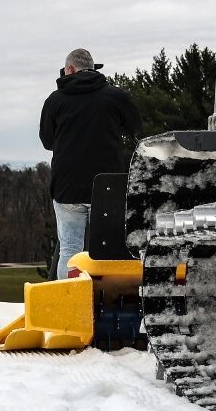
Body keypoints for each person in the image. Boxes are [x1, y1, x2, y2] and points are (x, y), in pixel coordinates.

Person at [39, 47, 142, 279]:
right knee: (107, 249)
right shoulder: (115, 97)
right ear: (92, 69)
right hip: (107, 185)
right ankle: (107, 295)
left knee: (69, 249)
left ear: (69, 69)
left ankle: (69, 296)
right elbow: (135, 127)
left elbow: (47, 141)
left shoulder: (55, 101)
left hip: (67, 186)